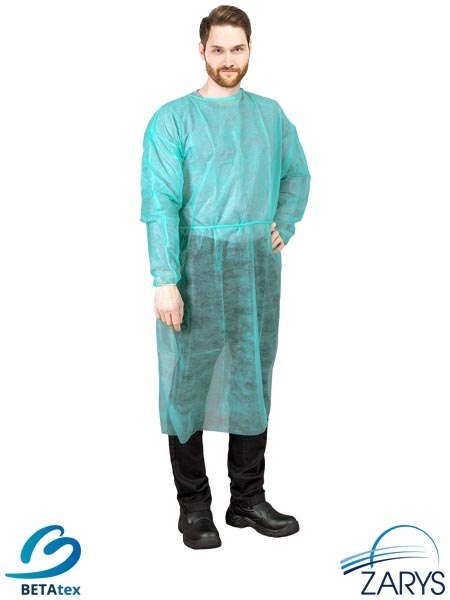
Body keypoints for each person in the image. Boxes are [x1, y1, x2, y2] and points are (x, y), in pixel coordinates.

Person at [140, 5, 311, 550]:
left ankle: (247, 500)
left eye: (238, 48)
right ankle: (194, 507)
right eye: (218, 49)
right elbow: (160, 203)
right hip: (194, 266)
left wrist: (284, 221)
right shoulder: (172, 120)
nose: (228, 59)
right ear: (202, 50)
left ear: (250, 49)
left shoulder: (269, 115)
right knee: (187, 382)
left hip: (255, 267)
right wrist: (165, 277)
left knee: (251, 377)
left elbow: (296, 173)